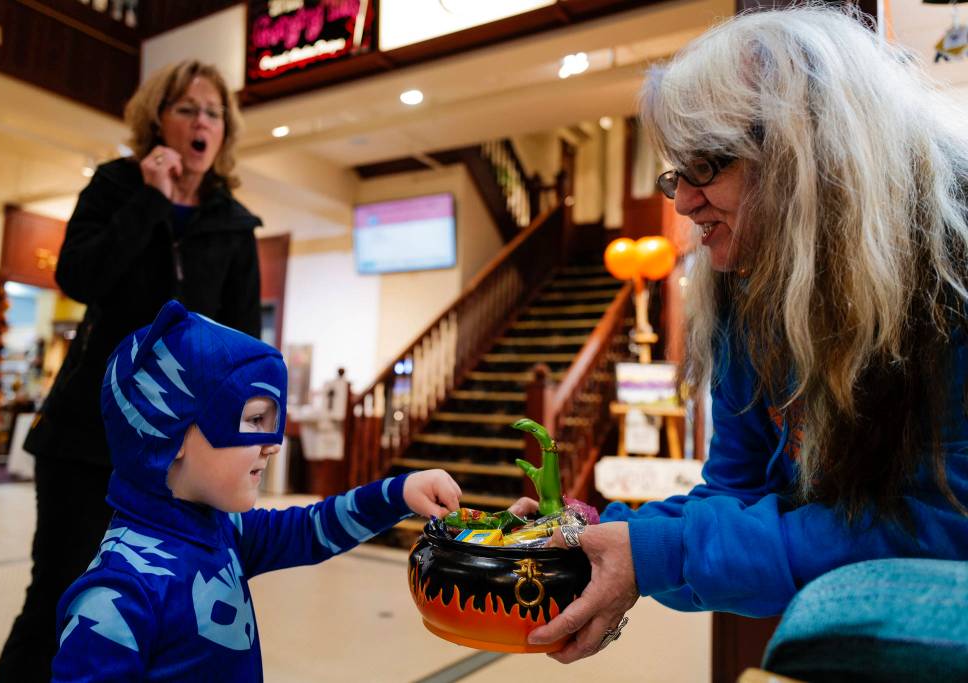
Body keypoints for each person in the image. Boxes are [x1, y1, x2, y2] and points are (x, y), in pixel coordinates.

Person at [522, 5, 968, 663]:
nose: (681, 201)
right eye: (678, 169)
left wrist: (658, 551)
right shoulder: (744, 292)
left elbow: (948, 527)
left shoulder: (948, 273)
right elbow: (738, 494)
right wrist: (599, 538)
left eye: (710, 163)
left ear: (812, 150)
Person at [0, 60, 264, 682]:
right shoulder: (117, 186)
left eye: (213, 113)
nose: (202, 122)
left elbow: (241, 345)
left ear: (225, 131)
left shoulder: (234, 225)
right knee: (59, 597)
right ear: (158, 120)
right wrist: (149, 199)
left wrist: (242, 440)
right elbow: (79, 277)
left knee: (161, 608)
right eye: (187, 109)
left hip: (179, 455)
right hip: (88, 434)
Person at [50, 300, 462, 681]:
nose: (273, 443)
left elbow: (311, 529)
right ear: (167, 435)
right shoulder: (116, 598)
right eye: (253, 420)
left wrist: (399, 493)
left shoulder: (225, 529)